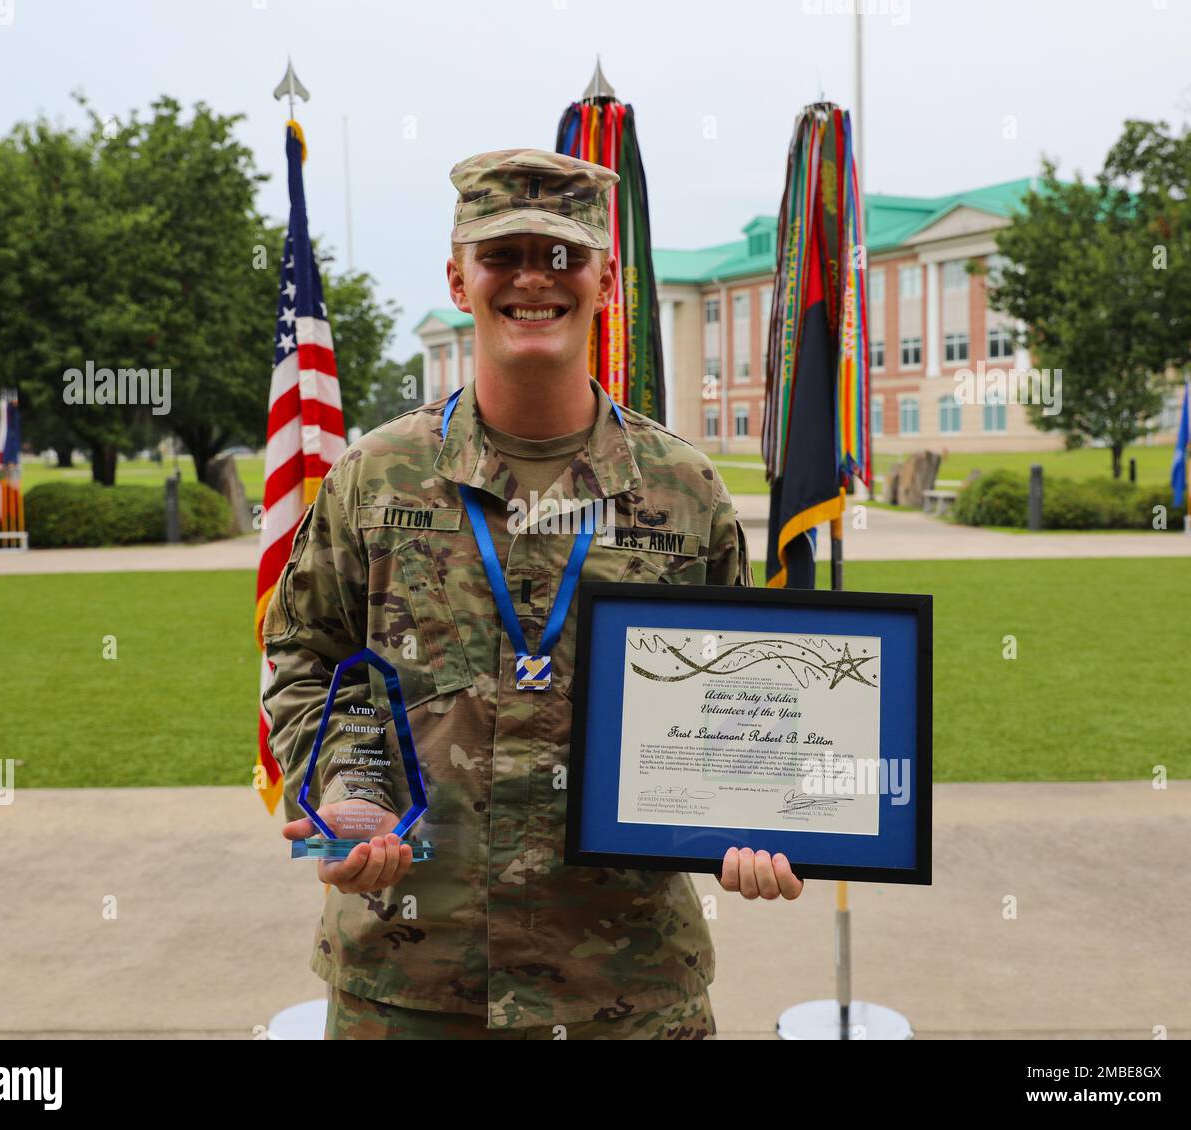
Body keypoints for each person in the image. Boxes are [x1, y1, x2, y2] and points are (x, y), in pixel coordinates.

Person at [262, 148, 803, 1041]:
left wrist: (760, 822)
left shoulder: (684, 488)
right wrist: (343, 788)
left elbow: (739, 702)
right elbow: (305, 653)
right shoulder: (377, 475)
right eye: (502, 254)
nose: (532, 280)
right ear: (458, 276)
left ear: (606, 279)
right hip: (411, 979)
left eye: (561, 256)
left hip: (622, 986)